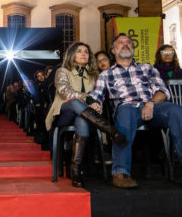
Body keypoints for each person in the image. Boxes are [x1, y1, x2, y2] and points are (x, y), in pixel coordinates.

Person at [87, 33, 182, 189]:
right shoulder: (106, 74)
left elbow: (162, 90)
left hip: (153, 106)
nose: (126, 44)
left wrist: (151, 103)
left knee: (178, 111)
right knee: (125, 112)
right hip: (127, 108)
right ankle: (120, 173)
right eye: (121, 43)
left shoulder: (147, 68)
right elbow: (96, 96)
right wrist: (94, 104)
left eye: (128, 42)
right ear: (113, 50)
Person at [44, 42, 127, 187]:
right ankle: (111, 131)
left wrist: (96, 104)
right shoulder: (62, 71)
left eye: (86, 52)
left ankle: (75, 169)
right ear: (72, 55)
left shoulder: (94, 75)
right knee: (75, 102)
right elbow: (65, 91)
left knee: (81, 119)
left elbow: (99, 96)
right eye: (79, 51)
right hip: (63, 112)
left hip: (84, 115)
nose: (84, 54)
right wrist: (88, 99)